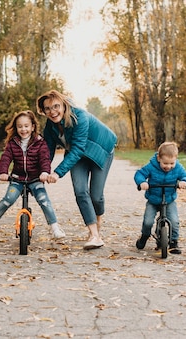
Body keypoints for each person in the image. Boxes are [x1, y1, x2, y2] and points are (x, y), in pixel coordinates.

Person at [36, 90, 117, 250]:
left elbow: (78, 148)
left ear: (64, 105)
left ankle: (97, 221)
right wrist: (43, 170)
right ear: (44, 111)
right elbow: (48, 150)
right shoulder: (50, 125)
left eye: (56, 106)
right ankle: (94, 235)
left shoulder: (80, 116)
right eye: (48, 109)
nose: (53, 112)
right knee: (80, 191)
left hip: (101, 151)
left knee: (96, 196)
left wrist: (58, 172)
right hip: (78, 153)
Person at [0, 110, 65, 239]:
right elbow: (6, 158)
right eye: (20, 126)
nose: (23, 129)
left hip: (36, 178)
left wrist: (44, 172)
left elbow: (45, 159)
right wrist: (3, 172)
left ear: (32, 127)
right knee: (8, 199)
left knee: (44, 201)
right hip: (17, 178)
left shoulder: (40, 142)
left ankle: (54, 227)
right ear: (16, 128)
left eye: (26, 126)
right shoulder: (13, 143)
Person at [134, 141, 186, 254]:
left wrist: (185, 181)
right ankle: (144, 236)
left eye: (172, 163)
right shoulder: (151, 166)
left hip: (169, 199)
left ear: (176, 159)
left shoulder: (178, 167)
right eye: (165, 163)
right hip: (153, 200)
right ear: (158, 158)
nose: (169, 166)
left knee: (174, 221)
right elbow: (139, 174)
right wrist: (142, 182)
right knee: (148, 222)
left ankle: (173, 242)